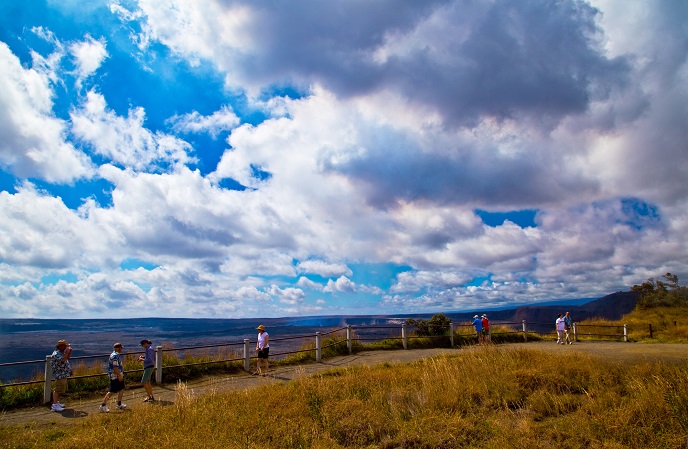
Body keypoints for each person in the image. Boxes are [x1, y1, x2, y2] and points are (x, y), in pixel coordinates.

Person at [100, 343, 127, 412]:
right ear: (119, 348)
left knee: (122, 388)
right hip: (115, 376)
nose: (121, 349)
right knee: (111, 391)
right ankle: (103, 405)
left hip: (117, 375)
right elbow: (115, 368)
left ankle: (119, 404)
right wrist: (119, 375)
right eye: (121, 348)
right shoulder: (115, 356)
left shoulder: (115, 355)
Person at [50, 340, 73, 412]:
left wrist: (68, 352)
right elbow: (63, 360)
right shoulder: (56, 354)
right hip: (59, 374)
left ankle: (56, 402)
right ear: (59, 346)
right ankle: (54, 405)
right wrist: (67, 352)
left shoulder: (61, 353)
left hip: (63, 374)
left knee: (61, 389)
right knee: (57, 389)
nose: (65, 347)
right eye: (63, 346)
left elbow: (66, 358)